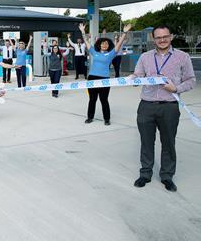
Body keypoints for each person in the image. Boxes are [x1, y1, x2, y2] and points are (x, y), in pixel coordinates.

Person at [131, 26, 196, 192]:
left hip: (169, 106)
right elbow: (138, 75)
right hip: (146, 105)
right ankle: (145, 173)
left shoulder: (183, 57)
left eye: (165, 36)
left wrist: (176, 88)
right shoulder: (145, 57)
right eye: (158, 37)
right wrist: (133, 78)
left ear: (171, 36)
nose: (162, 40)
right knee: (146, 141)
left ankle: (167, 176)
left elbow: (191, 80)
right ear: (154, 39)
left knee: (168, 142)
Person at [79, 22, 131, 125]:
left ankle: (107, 119)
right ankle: (90, 117)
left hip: (104, 79)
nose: (104, 45)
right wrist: (83, 32)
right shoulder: (94, 52)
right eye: (102, 43)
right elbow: (86, 41)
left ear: (109, 46)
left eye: (106, 44)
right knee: (92, 99)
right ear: (99, 45)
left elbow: (119, 44)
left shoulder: (111, 54)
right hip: (92, 78)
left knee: (104, 100)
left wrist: (124, 33)